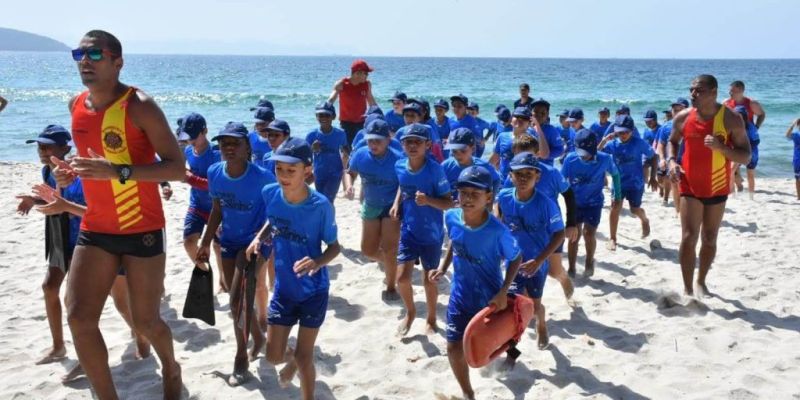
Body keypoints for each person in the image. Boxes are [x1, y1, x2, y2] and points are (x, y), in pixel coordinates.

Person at [50, 30, 185, 400]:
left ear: (117, 62)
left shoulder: (139, 105)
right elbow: (90, 164)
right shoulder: (76, 104)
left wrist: (118, 172)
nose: (85, 60)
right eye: (79, 53)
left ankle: (171, 370)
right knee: (78, 315)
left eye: (95, 53)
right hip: (96, 227)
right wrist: (69, 173)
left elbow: (176, 168)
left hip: (141, 227)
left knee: (146, 320)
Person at [18, 125, 150, 377]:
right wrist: (33, 199)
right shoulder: (48, 171)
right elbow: (55, 200)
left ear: (66, 148)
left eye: (47, 147)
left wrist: (64, 205)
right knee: (53, 290)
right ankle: (61, 348)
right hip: (66, 241)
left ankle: (141, 339)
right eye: (39, 147)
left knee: (120, 302)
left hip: (99, 243)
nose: (42, 152)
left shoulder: (83, 174)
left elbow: (96, 214)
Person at [247, 137, 341, 400]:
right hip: (284, 290)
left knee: (305, 355)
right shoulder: (270, 193)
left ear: (307, 170)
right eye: (279, 169)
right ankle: (294, 361)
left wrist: (317, 261)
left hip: (314, 290)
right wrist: (259, 237)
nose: (284, 176)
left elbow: (335, 248)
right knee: (273, 356)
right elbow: (273, 221)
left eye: (291, 170)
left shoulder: (320, 206)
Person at [430, 166, 522, 400]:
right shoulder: (451, 216)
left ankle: (512, 351)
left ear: (488, 197)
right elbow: (454, 242)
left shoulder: (497, 231)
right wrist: (443, 267)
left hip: (489, 301)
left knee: (497, 343)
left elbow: (516, 258)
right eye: (463, 192)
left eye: (475, 193)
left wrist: (503, 292)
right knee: (453, 347)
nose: (468, 198)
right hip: (459, 297)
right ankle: (468, 392)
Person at [196, 122, 275, 385]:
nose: (228, 148)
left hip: (257, 244)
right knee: (236, 299)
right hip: (228, 241)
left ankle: (241, 359)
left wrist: (257, 239)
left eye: (234, 143)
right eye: (223, 143)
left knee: (237, 302)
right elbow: (217, 210)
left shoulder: (263, 177)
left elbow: (275, 214)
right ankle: (259, 338)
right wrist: (206, 242)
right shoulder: (214, 172)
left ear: (247, 147)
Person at [667, 74, 750, 297]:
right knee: (688, 236)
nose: (693, 94)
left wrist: (722, 149)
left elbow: (746, 156)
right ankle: (687, 288)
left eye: (699, 90)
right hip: (689, 185)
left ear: (713, 92)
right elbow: (672, 142)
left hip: (717, 185)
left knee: (710, 238)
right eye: (691, 90)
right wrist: (672, 161)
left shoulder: (731, 119)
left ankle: (701, 281)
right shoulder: (683, 117)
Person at [495, 152, 566, 350]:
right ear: (510, 176)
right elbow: (499, 223)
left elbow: (559, 233)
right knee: (514, 307)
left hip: (537, 264)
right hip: (513, 263)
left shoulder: (546, 203)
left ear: (538, 176)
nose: (523, 178)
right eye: (519, 174)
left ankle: (541, 324)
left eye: (529, 174)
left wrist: (539, 261)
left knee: (534, 307)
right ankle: (512, 350)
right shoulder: (504, 197)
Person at [390, 123, 454, 336]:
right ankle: (410, 312)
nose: (413, 145)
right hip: (408, 230)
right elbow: (403, 185)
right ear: (402, 145)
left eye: (418, 141)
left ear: (428, 145)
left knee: (429, 280)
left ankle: (432, 317)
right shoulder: (400, 165)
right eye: (409, 142)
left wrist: (428, 201)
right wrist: (396, 203)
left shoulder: (435, 170)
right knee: (402, 279)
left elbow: (448, 202)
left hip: (432, 234)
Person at [502, 135, 577, 300]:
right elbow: (504, 202)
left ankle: (565, 280)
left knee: (554, 271)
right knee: (525, 270)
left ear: (537, 153)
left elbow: (569, 194)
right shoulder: (512, 176)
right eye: (518, 155)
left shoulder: (550, 173)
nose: (523, 160)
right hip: (525, 231)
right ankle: (532, 308)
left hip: (550, 229)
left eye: (528, 155)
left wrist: (571, 223)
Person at [343, 119, 403, 299]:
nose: (373, 144)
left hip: (392, 207)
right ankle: (394, 264)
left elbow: (404, 183)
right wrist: (348, 185)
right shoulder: (360, 155)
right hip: (370, 205)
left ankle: (391, 286)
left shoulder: (398, 158)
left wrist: (396, 204)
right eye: (370, 140)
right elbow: (349, 172)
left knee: (389, 248)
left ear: (388, 139)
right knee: (368, 250)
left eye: (378, 140)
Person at [561, 129, 622, 277]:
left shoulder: (605, 159)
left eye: (586, 153)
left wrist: (617, 195)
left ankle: (589, 261)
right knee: (574, 235)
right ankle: (572, 268)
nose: (583, 156)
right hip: (575, 203)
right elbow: (561, 182)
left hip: (594, 203)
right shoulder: (570, 159)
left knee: (589, 234)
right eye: (580, 152)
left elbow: (615, 174)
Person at [177, 112, 225, 292]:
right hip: (196, 205)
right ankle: (204, 274)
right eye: (187, 136)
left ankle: (222, 279)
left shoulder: (215, 154)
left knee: (218, 247)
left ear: (205, 131)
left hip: (217, 208)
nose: (190, 140)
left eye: (193, 136)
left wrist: (190, 178)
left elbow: (216, 186)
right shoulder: (188, 151)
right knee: (189, 242)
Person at [598, 115, 658, 250]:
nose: (623, 135)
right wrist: (604, 140)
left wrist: (653, 177)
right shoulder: (612, 144)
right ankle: (613, 238)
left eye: (626, 132)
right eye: (620, 132)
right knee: (615, 207)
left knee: (634, 209)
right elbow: (595, 155)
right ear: (615, 131)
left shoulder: (638, 142)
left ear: (632, 130)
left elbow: (654, 156)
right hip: (618, 182)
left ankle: (644, 220)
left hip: (636, 183)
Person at [327, 59, 377, 148]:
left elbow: (371, 102)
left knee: (362, 148)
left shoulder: (367, 84)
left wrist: (379, 115)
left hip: (362, 123)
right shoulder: (341, 84)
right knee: (346, 150)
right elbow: (331, 100)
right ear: (357, 73)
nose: (367, 76)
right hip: (346, 124)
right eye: (366, 73)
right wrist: (325, 110)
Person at [306, 102, 348, 205]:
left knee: (328, 200)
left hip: (335, 173)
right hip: (319, 173)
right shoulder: (312, 135)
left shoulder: (340, 134)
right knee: (322, 200)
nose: (323, 117)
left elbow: (346, 151)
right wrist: (312, 149)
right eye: (320, 115)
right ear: (316, 117)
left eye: (327, 115)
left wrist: (346, 169)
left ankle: (329, 221)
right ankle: (327, 220)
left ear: (333, 116)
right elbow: (305, 156)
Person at [441, 128, 500, 198]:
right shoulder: (446, 166)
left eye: (463, 151)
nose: (458, 155)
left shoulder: (483, 166)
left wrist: (491, 199)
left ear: (473, 149)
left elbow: (496, 180)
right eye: (454, 151)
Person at [490, 107, 544, 181]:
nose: (519, 119)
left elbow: (539, 158)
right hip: (503, 181)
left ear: (529, 123)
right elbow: (494, 159)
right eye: (517, 117)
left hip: (522, 182)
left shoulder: (532, 140)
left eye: (524, 118)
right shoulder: (502, 136)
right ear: (511, 120)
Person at [656, 98, 690, 208]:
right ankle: (678, 211)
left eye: (680, 110)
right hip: (673, 161)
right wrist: (661, 159)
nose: (677, 112)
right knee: (674, 185)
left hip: (689, 161)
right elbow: (661, 144)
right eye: (674, 110)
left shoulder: (693, 124)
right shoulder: (666, 126)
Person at [730, 105, 760, 199]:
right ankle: (733, 195)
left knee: (750, 175)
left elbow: (756, 141)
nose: (736, 117)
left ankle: (751, 197)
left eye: (738, 115)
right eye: (735, 115)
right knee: (731, 171)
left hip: (750, 153)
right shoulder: (736, 126)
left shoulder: (750, 127)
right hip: (741, 151)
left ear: (744, 115)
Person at [529, 98, 562, 164]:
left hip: (546, 165)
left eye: (543, 113)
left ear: (547, 115)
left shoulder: (551, 130)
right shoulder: (526, 128)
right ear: (531, 112)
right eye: (536, 112)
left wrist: (545, 156)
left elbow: (559, 149)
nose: (539, 115)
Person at [785, 118, 800, 200]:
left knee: (797, 178)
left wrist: (792, 125)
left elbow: (787, 135)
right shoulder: (796, 134)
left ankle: (799, 196)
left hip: (797, 159)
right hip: (797, 159)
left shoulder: (796, 134)